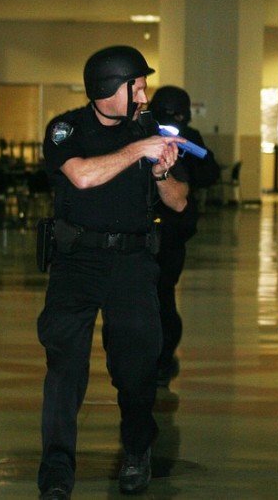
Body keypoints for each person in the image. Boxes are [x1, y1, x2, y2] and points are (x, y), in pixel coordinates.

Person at [36, 45, 189, 500]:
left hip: (132, 264)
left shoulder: (148, 129)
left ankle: (137, 451)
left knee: (136, 368)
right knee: (65, 369)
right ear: (109, 88)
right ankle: (57, 475)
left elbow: (179, 202)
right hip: (76, 262)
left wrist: (162, 174)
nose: (144, 94)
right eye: (136, 85)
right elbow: (81, 176)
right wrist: (137, 149)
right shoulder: (67, 129)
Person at [146, 85, 220, 388]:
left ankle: (162, 359)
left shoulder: (190, 140)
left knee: (163, 295)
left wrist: (184, 155)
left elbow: (209, 173)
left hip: (171, 231)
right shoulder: (143, 135)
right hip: (142, 229)